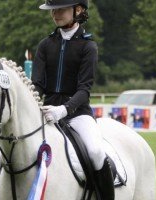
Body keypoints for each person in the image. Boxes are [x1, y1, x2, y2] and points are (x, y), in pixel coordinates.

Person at [32, 0, 114, 199]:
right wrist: (34, 104)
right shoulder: (45, 44)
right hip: (47, 112)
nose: (55, 14)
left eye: (60, 9)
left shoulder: (88, 46)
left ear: (78, 10)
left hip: (78, 114)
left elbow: (84, 90)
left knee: (95, 152)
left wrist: (64, 109)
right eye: (53, 10)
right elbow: (37, 85)